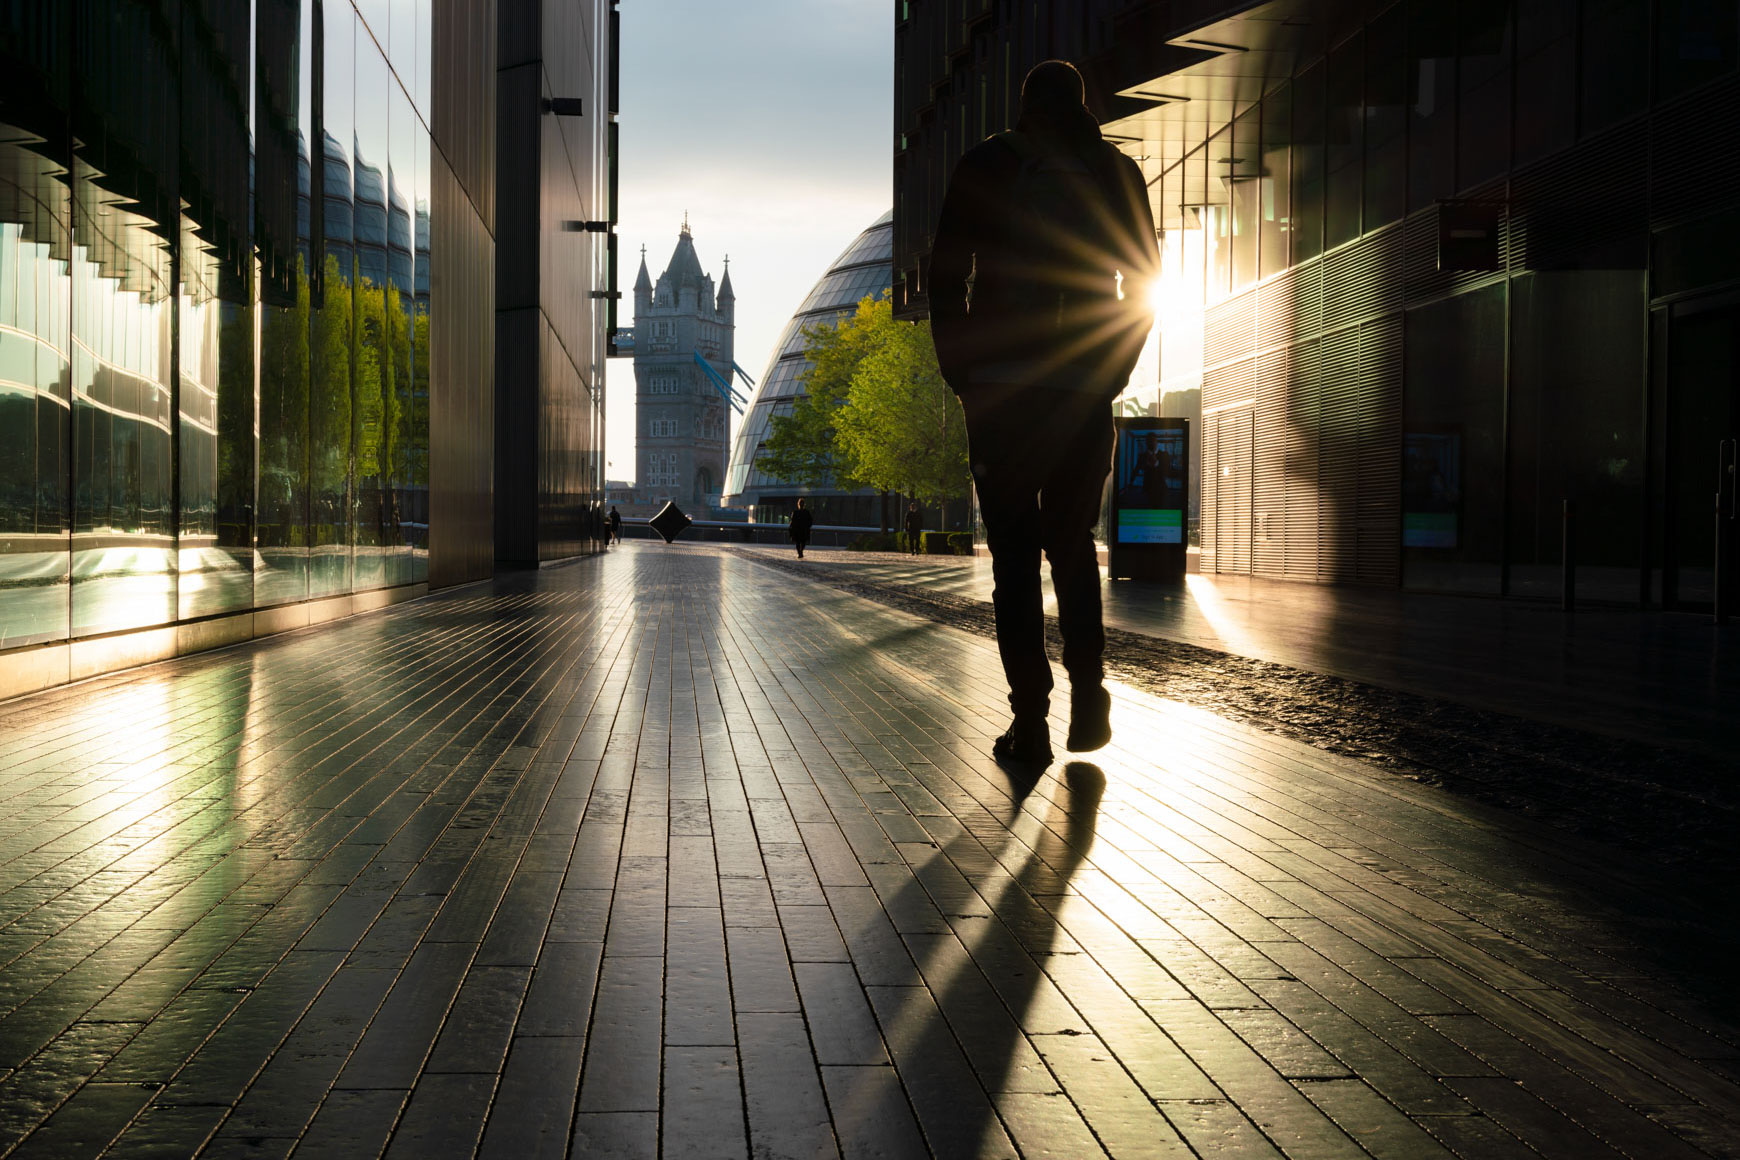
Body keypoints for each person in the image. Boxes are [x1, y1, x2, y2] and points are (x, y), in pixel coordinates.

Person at [929, 59, 1159, 766]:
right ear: (1082, 107)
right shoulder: (1117, 172)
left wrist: (964, 372)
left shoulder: (987, 163)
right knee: (1072, 543)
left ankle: (1029, 720)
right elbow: (1145, 277)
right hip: (1080, 393)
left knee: (1015, 560)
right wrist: (1110, 373)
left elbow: (946, 273)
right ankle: (1089, 691)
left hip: (1001, 392)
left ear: (1024, 106)